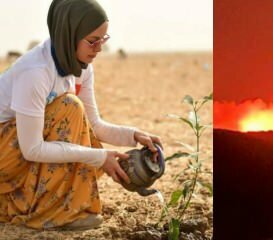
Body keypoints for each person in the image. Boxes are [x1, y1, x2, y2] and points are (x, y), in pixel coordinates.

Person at [0, 0, 162, 230]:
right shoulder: (35, 72)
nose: (98, 49)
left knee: (84, 130)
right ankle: (53, 212)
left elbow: (94, 124)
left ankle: (31, 202)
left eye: (103, 40)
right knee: (70, 109)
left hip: (22, 146)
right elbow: (32, 148)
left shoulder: (81, 66)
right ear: (68, 34)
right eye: (92, 41)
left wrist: (134, 136)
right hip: (6, 151)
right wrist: (99, 157)